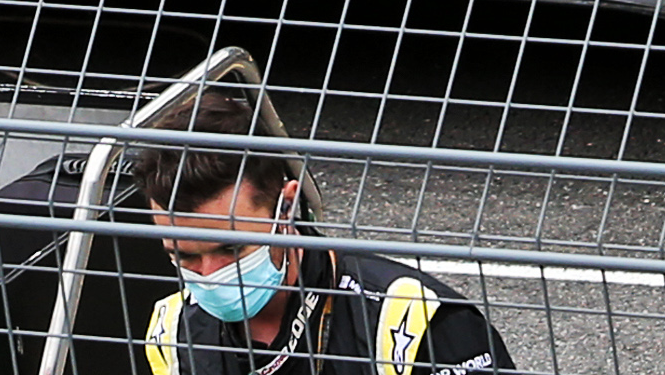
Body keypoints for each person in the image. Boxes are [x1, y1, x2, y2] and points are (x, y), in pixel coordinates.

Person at [134, 87, 516, 375]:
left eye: (232, 250)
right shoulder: (172, 333)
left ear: (286, 205)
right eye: (183, 256)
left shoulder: (415, 322)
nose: (211, 272)